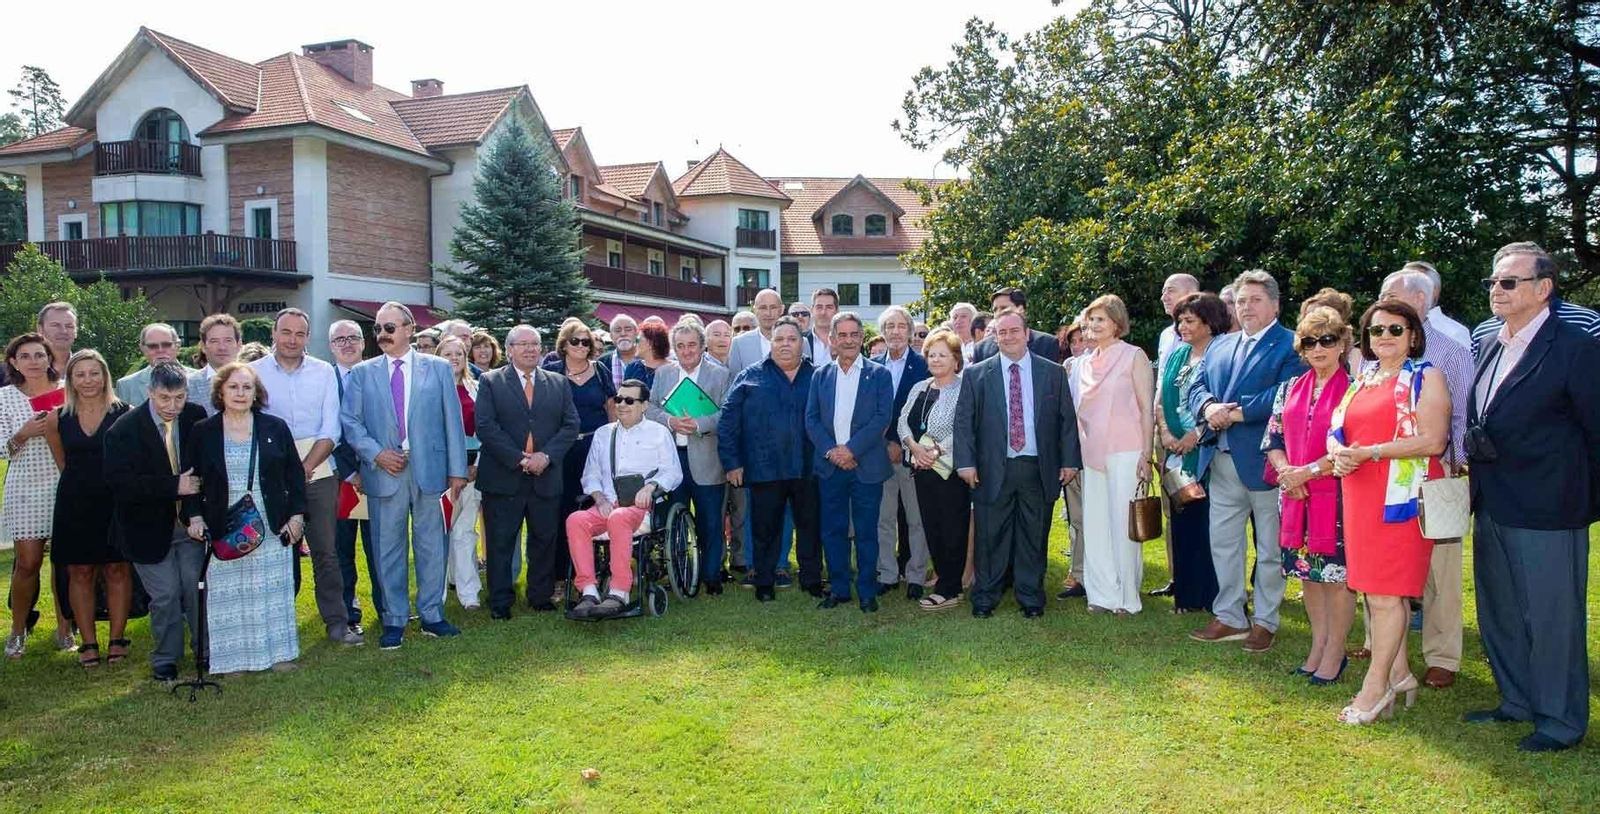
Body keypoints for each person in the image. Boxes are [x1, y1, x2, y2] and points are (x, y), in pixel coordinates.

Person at [1463, 242, 1600, 752]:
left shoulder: (1574, 344)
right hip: (1494, 498)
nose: (1496, 291)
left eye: (1509, 283)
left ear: (1543, 289)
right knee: (1500, 609)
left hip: (1550, 505)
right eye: (1493, 283)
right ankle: (1516, 700)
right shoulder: (1494, 341)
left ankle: (1561, 721)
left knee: (1552, 616)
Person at [1327, 299, 1449, 724]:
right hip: (1360, 491)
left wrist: (1370, 453)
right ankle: (1399, 675)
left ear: (1413, 335)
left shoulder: (1426, 376)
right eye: (1377, 331)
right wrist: (1340, 455)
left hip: (1401, 496)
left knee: (1386, 593)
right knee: (1372, 590)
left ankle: (1374, 688)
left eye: (1395, 330)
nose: (1385, 338)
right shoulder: (1363, 379)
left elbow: (1433, 440)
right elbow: (1340, 432)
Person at [1187, 269, 1306, 651]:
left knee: (1270, 547)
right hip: (1221, 460)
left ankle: (1266, 620)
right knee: (1224, 542)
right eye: (1240, 301)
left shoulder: (1292, 346)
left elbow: (1285, 394)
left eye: (1255, 300)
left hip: (1268, 462)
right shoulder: (1221, 346)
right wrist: (1208, 406)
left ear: (1274, 303)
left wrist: (1233, 413)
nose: (1246, 307)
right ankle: (1230, 616)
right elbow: (1196, 385)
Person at [339, 302, 468, 649]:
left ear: (409, 329)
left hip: (431, 471)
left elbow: (452, 421)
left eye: (389, 328)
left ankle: (432, 615)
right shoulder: (363, 373)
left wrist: (457, 470)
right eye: (377, 329)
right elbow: (350, 422)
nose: (381, 335)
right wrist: (376, 453)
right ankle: (394, 619)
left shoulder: (438, 369)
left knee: (431, 546)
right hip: (384, 470)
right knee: (388, 548)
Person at [1378, 268, 1474, 689]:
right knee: (1383, 564)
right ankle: (1379, 643)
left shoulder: (1450, 350)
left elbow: (1465, 417)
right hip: (1380, 474)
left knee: (1439, 571)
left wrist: (1456, 467)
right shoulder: (1373, 348)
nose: (1380, 299)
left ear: (1419, 300)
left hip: (1435, 474)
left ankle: (1442, 656)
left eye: (1388, 294)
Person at [954, 308, 1081, 619]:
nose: (1008, 336)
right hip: (991, 469)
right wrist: (965, 464)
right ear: (994, 337)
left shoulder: (1052, 372)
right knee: (990, 536)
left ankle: (1031, 597)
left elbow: (1066, 421)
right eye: (1001, 332)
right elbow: (964, 423)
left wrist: (1069, 461)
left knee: (1033, 535)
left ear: (1027, 335)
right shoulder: (976, 374)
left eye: (1014, 331)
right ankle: (985, 597)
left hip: (1038, 467)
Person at [183, 363, 304, 674]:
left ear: (256, 393)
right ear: (220, 391)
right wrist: (195, 517)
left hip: (271, 520)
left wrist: (297, 517)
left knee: (270, 589)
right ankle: (232, 659)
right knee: (228, 594)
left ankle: (277, 655)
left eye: (247, 387)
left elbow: (294, 476)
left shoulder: (275, 428)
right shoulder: (203, 432)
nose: (240, 393)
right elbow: (191, 480)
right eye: (233, 387)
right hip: (225, 525)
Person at [252, 308, 361, 647]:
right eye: (286, 332)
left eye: (300, 334)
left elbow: (332, 427)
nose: (293, 340)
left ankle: (337, 622)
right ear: (274, 333)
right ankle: (275, 623)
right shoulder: (253, 372)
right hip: (270, 473)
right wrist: (286, 473)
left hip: (319, 468)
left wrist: (305, 468)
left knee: (326, 550)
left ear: (308, 338)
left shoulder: (323, 372)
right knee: (275, 550)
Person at [1262, 305, 1356, 684]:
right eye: (1310, 341)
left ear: (1342, 344)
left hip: (1337, 498)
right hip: (1295, 496)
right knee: (1309, 576)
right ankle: (1318, 645)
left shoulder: (1354, 391)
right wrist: (1287, 472)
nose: (1318, 348)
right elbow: (1273, 438)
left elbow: (1353, 447)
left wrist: (1309, 471)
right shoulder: (1290, 388)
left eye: (1327, 340)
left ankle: (1336, 651)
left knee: (1336, 578)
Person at [103, 362, 206, 681]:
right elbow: (120, 485)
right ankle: (166, 657)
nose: (172, 406)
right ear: (150, 392)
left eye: (178, 397)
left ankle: (204, 649)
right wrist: (172, 485)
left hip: (190, 524)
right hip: (144, 527)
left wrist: (196, 511)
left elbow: (202, 468)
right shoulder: (123, 430)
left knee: (194, 586)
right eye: (164, 398)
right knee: (165, 594)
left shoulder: (195, 416)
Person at [477, 325, 580, 619]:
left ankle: (540, 595)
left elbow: (571, 425)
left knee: (544, 540)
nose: (530, 349)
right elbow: (486, 426)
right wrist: (520, 459)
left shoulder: (558, 383)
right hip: (503, 477)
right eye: (522, 344)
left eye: (534, 344)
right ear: (509, 350)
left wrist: (546, 456)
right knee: (500, 542)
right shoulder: (491, 381)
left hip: (546, 476)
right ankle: (499, 601)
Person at [719, 316, 824, 601]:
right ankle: (764, 582)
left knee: (810, 527)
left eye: (792, 339)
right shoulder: (749, 376)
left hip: (809, 467)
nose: (785, 344)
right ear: (771, 343)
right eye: (779, 339)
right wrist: (732, 463)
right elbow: (728, 423)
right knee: (765, 529)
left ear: (802, 343)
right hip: (764, 467)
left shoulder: (819, 376)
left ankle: (812, 579)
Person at [565, 379, 683, 619]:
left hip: (641, 508)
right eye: (619, 399)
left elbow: (673, 472)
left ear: (644, 405)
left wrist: (651, 487)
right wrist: (599, 499)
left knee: (619, 518)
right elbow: (591, 474)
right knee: (575, 520)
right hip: (607, 504)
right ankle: (588, 592)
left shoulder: (659, 433)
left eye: (630, 400)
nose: (622, 404)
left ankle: (620, 592)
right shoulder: (603, 434)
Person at [45, 350, 132, 666]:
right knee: (79, 571)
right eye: (80, 374)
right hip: (75, 501)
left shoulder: (126, 413)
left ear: (105, 376)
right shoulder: (58, 417)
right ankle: (88, 642)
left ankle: (118, 638)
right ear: (70, 380)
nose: (88, 380)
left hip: (115, 500)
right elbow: (63, 462)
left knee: (116, 568)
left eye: (94, 373)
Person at [804, 312, 893, 612]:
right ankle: (840, 589)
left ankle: (867, 591)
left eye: (854, 334)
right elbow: (811, 419)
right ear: (832, 339)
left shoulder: (879, 375)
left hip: (866, 466)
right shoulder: (820, 375)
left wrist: (851, 451)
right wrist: (833, 452)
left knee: (867, 532)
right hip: (831, 468)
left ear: (861, 338)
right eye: (842, 335)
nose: (849, 340)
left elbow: (882, 418)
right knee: (833, 530)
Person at [1073, 295, 1154, 616]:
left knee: (1124, 525)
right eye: (1091, 319)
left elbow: (1147, 408)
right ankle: (1101, 594)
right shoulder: (1082, 362)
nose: (1094, 325)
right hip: (1091, 452)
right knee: (1095, 524)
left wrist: (1147, 455)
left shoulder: (1134, 356)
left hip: (1127, 450)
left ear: (1117, 324)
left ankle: (1127, 597)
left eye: (1101, 320)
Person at [646, 321, 732, 593]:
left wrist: (699, 424)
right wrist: (671, 421)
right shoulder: (663, 373)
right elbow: (649, 408)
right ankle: (682, 572)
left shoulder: (721, 375)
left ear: (702, 345)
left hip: (707, 458)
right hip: (673, 460)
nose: (686, 351)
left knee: (710, 521)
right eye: (680, 346)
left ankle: (712, 574)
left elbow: (727, 415)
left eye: (692, 345)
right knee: (675, 518)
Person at [1154, 294, 1226, 614]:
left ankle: (1211, 597)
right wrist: (1168, 434)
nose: (1182, 327)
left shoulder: (1222, 353)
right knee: (1182, 524)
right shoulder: (1177, 354)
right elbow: (1161, 399)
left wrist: (1194, 436)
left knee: (1209, 529)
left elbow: (1224, 401)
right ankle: (1186, 596)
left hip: (1208, 454)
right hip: (1176, 454)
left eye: (1189, 321)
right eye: (1180, 321)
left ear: (1209, 323)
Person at [1, 333, 66, 658]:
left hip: (64, 480)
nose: (34, 361)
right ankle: (17, 630)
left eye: (39, 355)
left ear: (49, 358)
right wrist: (24, 433)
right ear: (13, 362)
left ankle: (66, 628)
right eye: (25, 356)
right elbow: (3, 450)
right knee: (28, 562)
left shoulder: (67, 390)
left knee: (63, 561)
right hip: (25, 484)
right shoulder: (4, 398)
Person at [542, 319, 614, 605]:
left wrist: (612, 445)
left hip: (594, 449)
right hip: (561, 452)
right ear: (564, 344)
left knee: (598, 512)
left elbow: (611, 408)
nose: (582, 346)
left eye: (587, 341)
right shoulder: (551, 372)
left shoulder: (601, 371)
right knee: (562, 515)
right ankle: (560, 577)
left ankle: (599, 575)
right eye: (576, 341)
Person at [898, 330, 969, 611]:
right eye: (932, 354)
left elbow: (964, 425)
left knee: (952, 528)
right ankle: (944, 579)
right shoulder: (920, 387)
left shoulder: (965, 388)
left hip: (950, 472)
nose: (936, 359)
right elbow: (903, 421)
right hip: (921, 469)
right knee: (932, 527)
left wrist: (937, 451)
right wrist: (915, 448)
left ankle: (950, 588)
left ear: (956, 360)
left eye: (943, 354)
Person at [871, 306, 931, 597]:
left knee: (916, 518)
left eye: (900, 326)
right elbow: (868, 413)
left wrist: (901, 442)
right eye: (889, 326)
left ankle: (916, 576)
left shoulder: (923, 366)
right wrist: (885, 444)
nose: (895, 332)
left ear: (909, 331)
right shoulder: (871, 366)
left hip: (913, 455)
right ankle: (887, 574)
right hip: (879, 455)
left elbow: (926, 412)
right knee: (883, 518)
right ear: (882, 332)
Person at [328, 319, 381, 631]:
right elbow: (327, 429)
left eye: (353, 338)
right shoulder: (323, 379)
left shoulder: (379, 376)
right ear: (331, 346)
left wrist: (370, 467)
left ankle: (388, 609)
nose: (347, 344)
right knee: (341, 551)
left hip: (378, 473)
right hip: (339, 479)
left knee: (380, 548)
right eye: (339, 339)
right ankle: (348, 613)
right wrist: (350, 472)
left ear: (364, 343)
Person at [437, 335, 483, 610]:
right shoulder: (427, 389)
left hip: (472, 468)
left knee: (465, 532)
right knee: (437, 534)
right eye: (448, 354)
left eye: (460, 354)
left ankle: (469, 594)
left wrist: (476, 466)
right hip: (439, 471)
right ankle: (436, 594)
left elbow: (486, 430)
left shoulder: (477, 389)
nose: (454, 358)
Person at [1056, 316, 1092, 599]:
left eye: (1083, 339)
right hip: (1072, 452)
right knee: (1077, 518)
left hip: (1099, 452)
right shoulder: (1066, 368)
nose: (1078, 345)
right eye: (1073, 341)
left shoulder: (1103, 364)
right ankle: (1078, 573)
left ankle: (1098, 574)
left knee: (1098, 518)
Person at [970, 287, 1060, 364]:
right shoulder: (981, 348)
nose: (998, 313)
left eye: (1003, 308)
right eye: (995, 310)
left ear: (1020, 309)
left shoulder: (1047, 344)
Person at [116, 323, 194, 405]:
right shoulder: (126, 386)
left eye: (166, 345)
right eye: (153, 346)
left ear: (177, 346)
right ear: (142, 349)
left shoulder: (201, 379)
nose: (160, 350)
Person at [188, 314, 241, 416]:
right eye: (214, 341)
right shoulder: (188, 385)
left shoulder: (254, 382)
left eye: (228, 340)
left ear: (239, 345)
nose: (222, 347)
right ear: (203, 346)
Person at [729, 289, 785, 373]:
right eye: (763, 308)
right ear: (754, 310)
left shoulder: (801, 342)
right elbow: (735, 381)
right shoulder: (739, 344)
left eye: (773, 307)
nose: (768, 313)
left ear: (781, 309)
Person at [1157, 274, 1201, 368]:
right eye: (1163, 292)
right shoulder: (1166, 335)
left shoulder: (1204, 333)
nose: (1164, 298)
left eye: (1171, 290)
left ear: (1192, 294)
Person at [624, 322, 669, 389]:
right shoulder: (632, 367)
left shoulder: (673, 370)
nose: (634, 344)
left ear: (650, 343)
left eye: (637, 340)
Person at [603, 314, 640, 390]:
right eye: (617, 330)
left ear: (636, 333)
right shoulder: (602, 363)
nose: (623, 334)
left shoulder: (647, 359)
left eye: (628, 329)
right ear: (611, 336)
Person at [803, 288, 839, 363]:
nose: (823, 312)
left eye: (829, 307)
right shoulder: (800, 340)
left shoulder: (847, 340)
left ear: (837, 311)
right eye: (819, 307)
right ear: (812, 310)